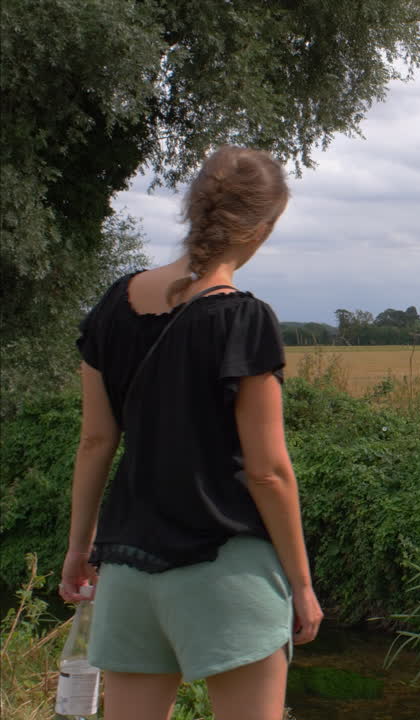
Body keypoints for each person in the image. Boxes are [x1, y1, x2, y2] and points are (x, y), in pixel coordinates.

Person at [59, 145, 323, 720]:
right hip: (224, 569)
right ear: (260, 227)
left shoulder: (112, 304)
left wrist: (81, 549)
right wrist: (302, 585)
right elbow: (268, 470)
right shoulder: (243, 318)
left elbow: (95, 444)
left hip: (128, 568)